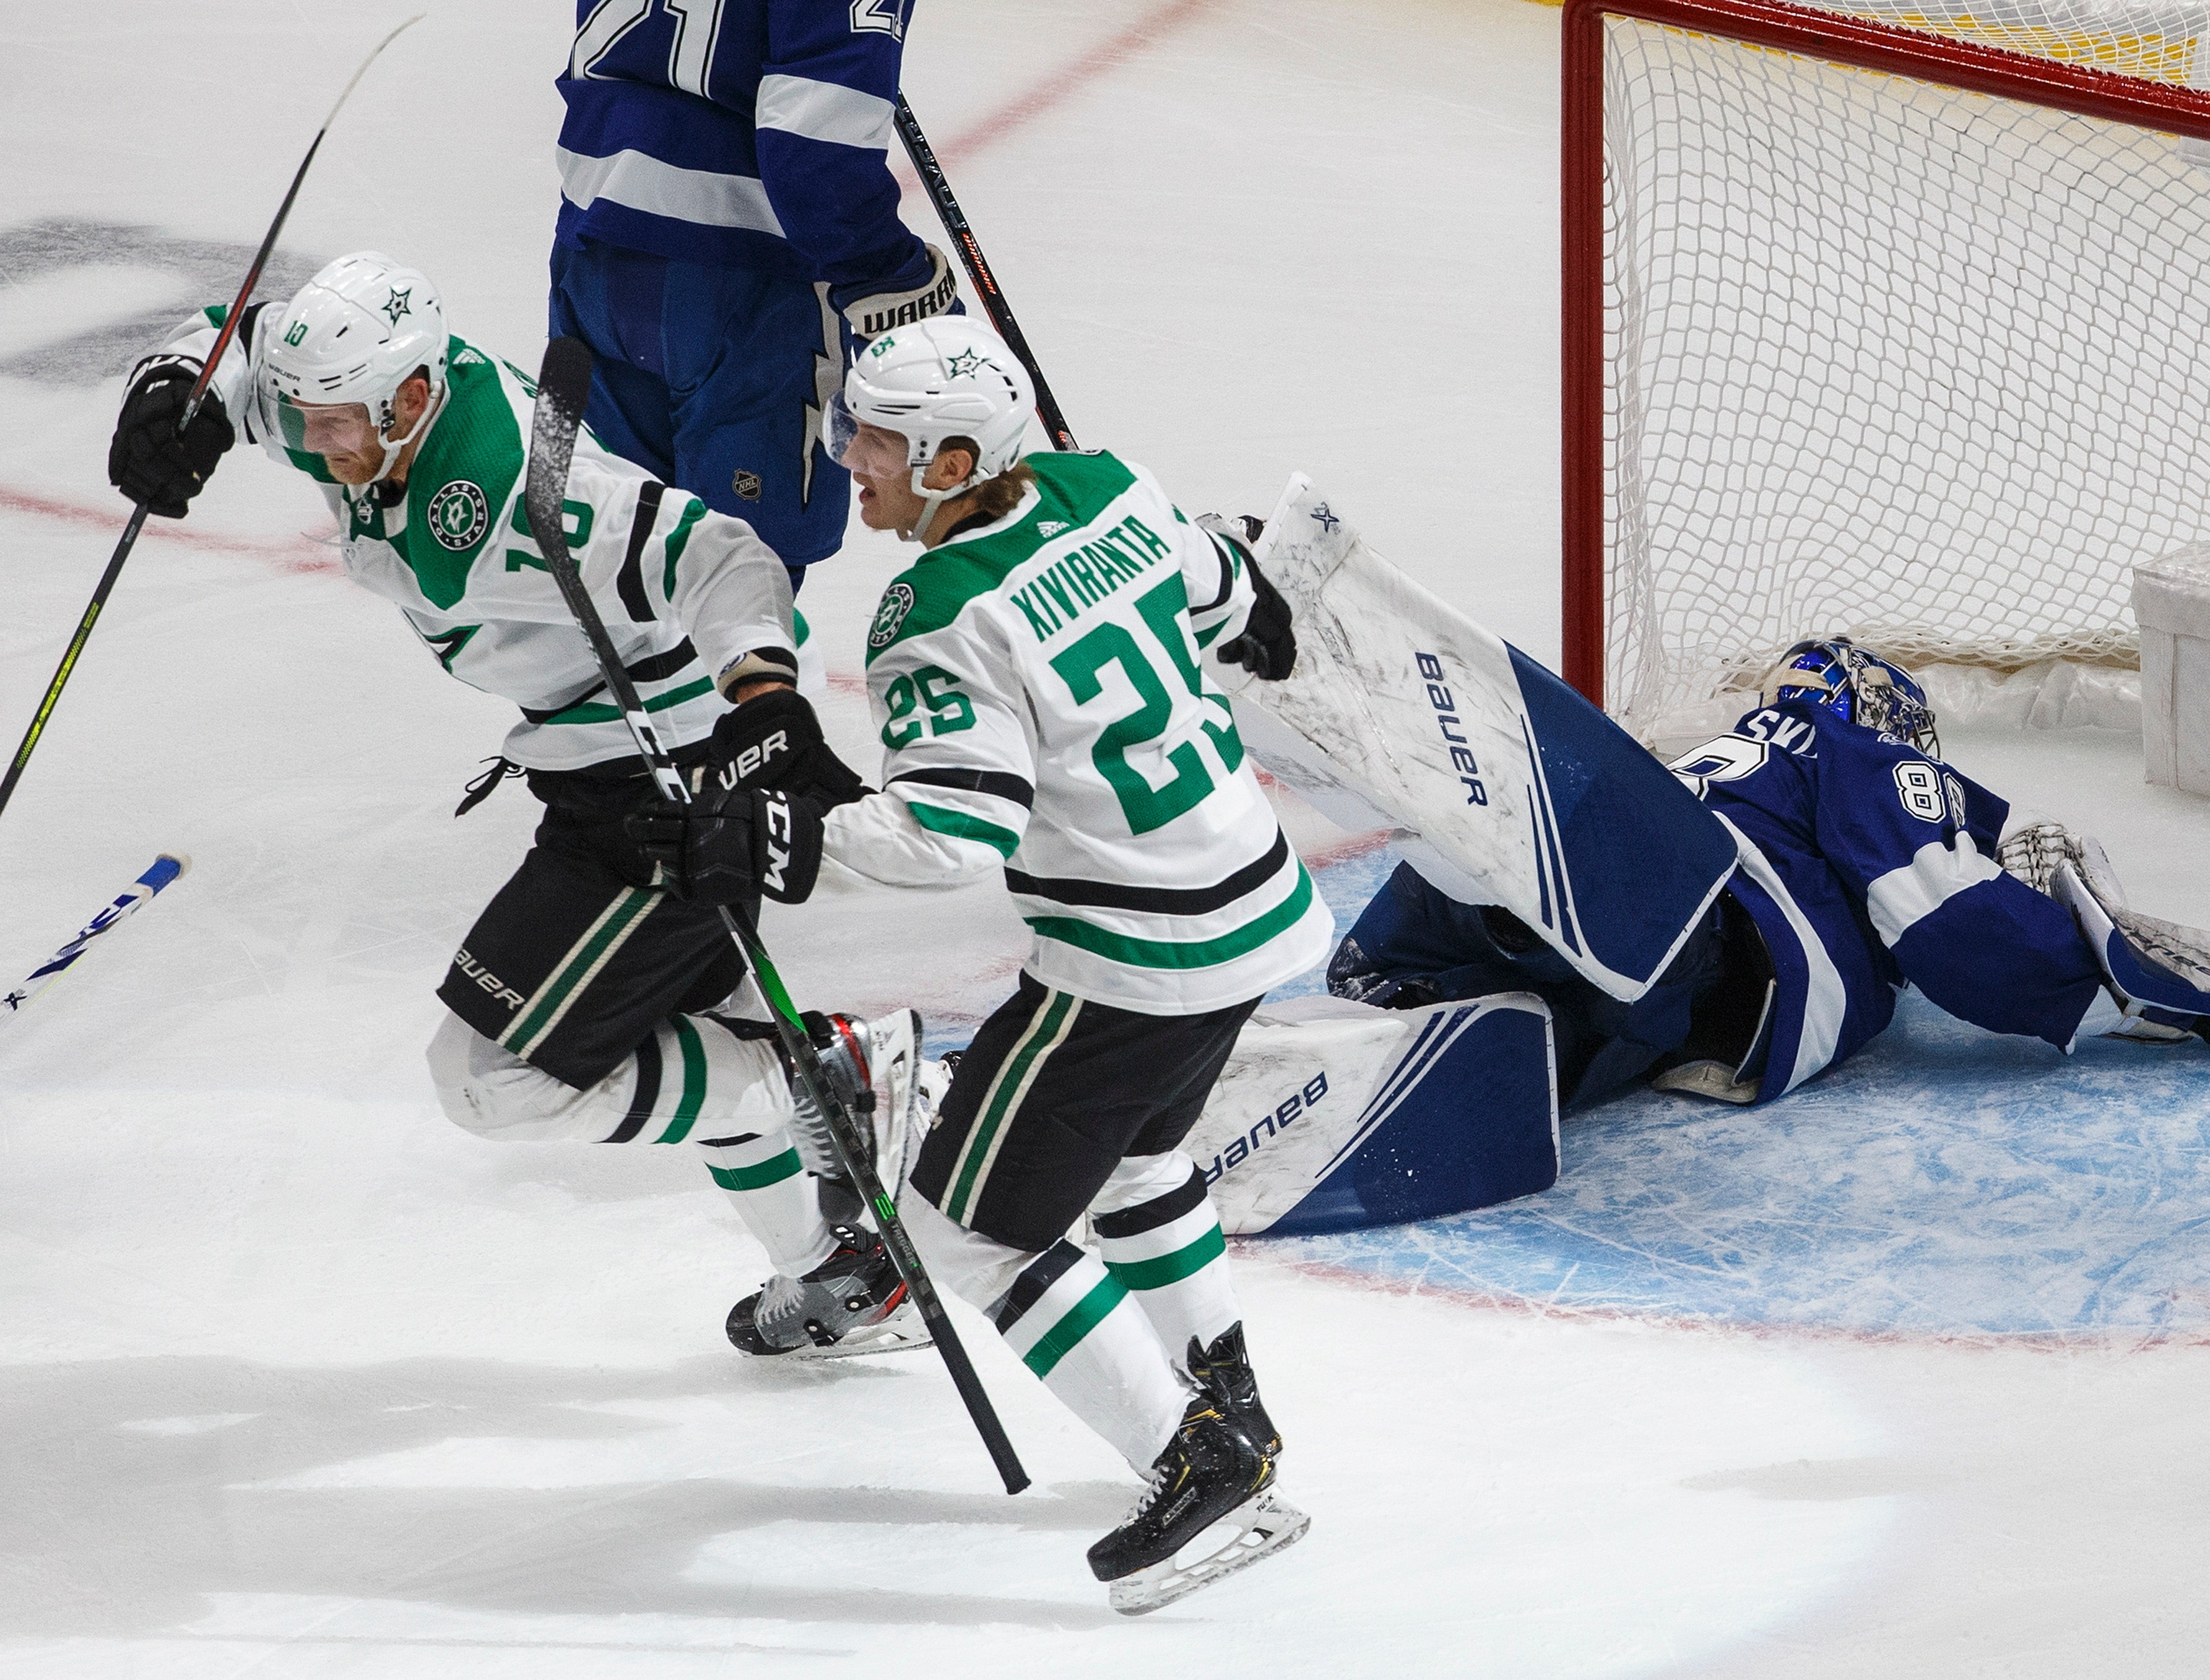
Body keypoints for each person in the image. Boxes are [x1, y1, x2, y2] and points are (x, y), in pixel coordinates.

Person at [103, 249, 918, 1359]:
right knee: (698, 1023)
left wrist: (762, 704)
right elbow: (227, 337)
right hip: (587, 760)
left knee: (491, 1079)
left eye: (337, 424)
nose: (315, 446)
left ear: (413, 398)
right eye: (304, 420)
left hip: (667, 774)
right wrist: (168, 399)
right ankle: (837, 1267)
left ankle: (827, 1071)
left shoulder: (524, 503)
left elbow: (722, 556)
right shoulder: (349, 399)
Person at [761, 317, 1328, 1610]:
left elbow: (948, 835)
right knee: (1140, 1161)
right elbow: (1229, 589)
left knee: (960, 1232)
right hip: (1253, 908)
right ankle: (1222, 1390)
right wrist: (1258, 611)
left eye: (880, 441)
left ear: (955, 457)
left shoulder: (935, 613)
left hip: (1133, 955)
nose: (852, 457)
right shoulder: (1108, 483)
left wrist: (788, 835)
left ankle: (1198, 1464)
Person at [1328, 639, 2210, 1114]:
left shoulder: (1708, 754)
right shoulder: (1852, 748)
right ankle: (1497, 981)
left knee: (1539, 922)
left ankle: (1429, 959)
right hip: (1705, 950)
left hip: (1622, 886)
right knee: (1610, 999)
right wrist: (2115, 972)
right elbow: (1954, 919)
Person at [548, 0, 960, 597]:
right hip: (742, 286)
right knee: (738, 592)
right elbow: (819, 158)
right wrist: (894, 282)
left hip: (593, 252)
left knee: (619, 578)